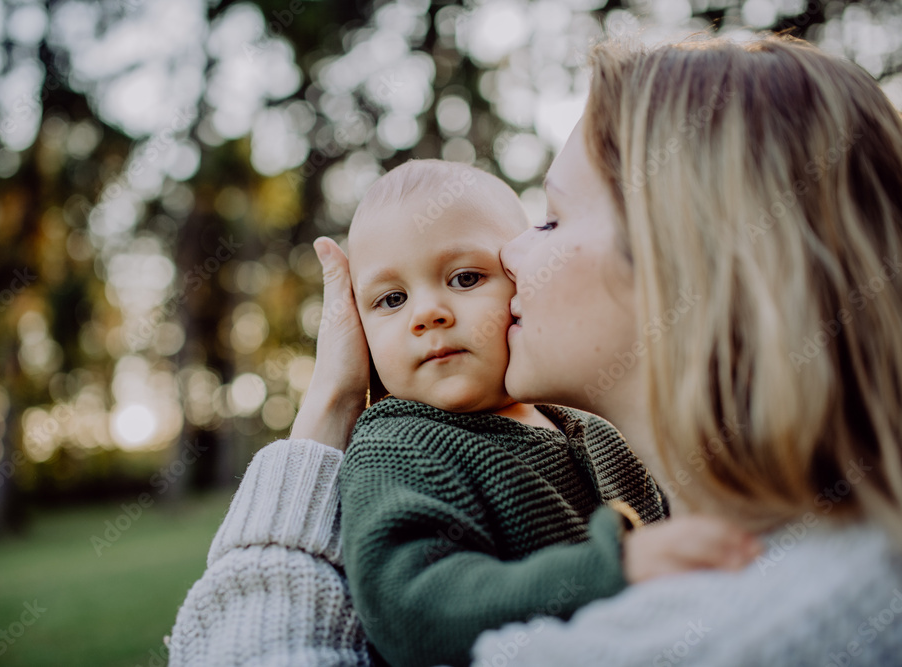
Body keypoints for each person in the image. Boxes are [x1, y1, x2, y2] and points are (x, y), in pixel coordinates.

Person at [168, 33, 902, 666]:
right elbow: (412, 596)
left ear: (686, 262)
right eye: (389, 297)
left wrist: (314, 435)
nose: (510, 253)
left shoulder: (727, 631)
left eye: (550, 220)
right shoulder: (802, 545)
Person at [340, 158, 724, 667]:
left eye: (465, 277)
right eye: (391, 299)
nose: (426, 313)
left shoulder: (597, 430)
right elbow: (411, 607)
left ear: (522, 282)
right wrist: (612, 568)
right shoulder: (397, 446)